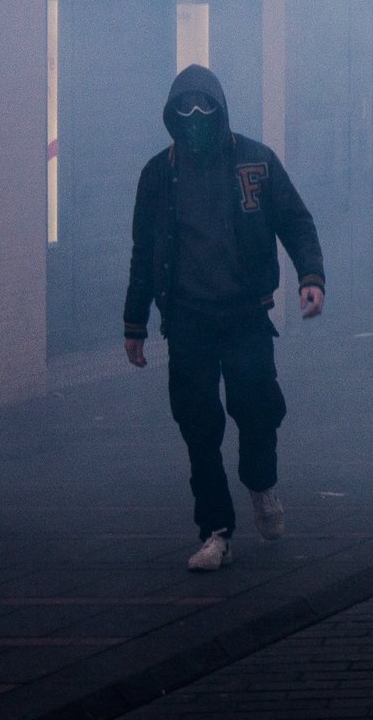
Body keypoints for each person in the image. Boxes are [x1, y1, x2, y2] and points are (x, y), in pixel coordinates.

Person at [123, 65, 325, 572]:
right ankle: (215, 530)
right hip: (188, 318)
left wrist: (311, 277)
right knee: (197, 424)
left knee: (257, 407)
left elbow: (295, 221)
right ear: (172, 119)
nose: (194, 123)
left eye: (203, 112)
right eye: (184, 113)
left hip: (245, 313)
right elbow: (143, 253)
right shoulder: (158, 174)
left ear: (220, 113)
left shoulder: (255, 161)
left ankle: (260, 483)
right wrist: (135, 323)